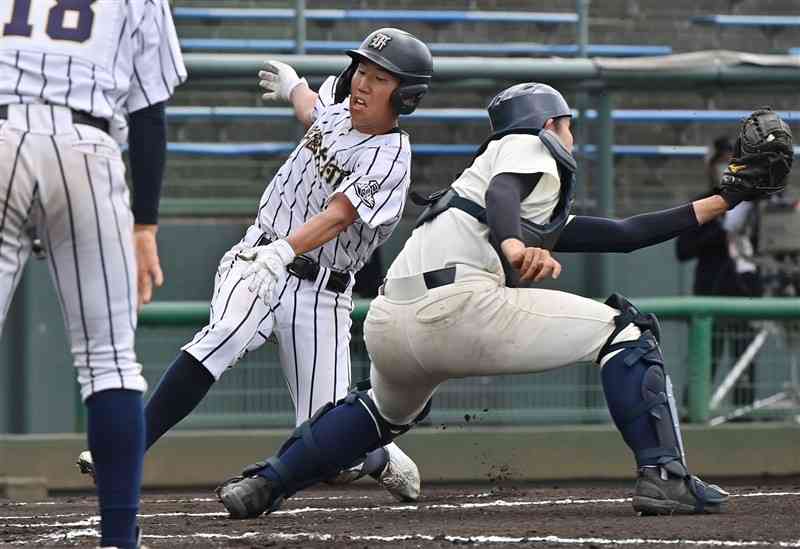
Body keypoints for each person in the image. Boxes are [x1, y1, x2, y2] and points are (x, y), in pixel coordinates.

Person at [215, 82, 770, 520]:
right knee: (626, 331)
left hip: (391, 321)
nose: (571, 135)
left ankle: (266, 482)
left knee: (380, 411)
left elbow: (624, 232)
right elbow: (508, 194)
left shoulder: (482, 183)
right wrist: (509, 243)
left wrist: (727, 197)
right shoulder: (527, 149)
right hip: (455, 306)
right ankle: (666, 476)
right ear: (548, 123)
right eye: (568, 124)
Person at [76, 28, 433, 502]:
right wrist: (293, 87)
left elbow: (339, 216)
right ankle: (122, 450)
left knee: (331, 443)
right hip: (257, 258)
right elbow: (314, 112)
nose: (364, 84)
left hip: (321, 293)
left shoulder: (391, 158)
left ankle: (377, 457)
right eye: (362, 70)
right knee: (224, 333)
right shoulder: (340, 101)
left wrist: (285, 250)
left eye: (380, 78)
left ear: (405, 96)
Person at [0, 0, 186, 547]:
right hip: (86, 144)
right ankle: (118, 539)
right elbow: (150, 111)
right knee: (109, 362)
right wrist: (145, 226)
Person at [676, 136, 762, 407]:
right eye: (722, 162)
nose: (727, 168)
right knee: (704, 363)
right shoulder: (701, 204)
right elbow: (683, 250)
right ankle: (693, 416)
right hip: (710, 295)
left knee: (745, 367)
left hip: (746, 296)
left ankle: (744, 416)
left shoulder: (758, 204)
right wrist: (720, 228)